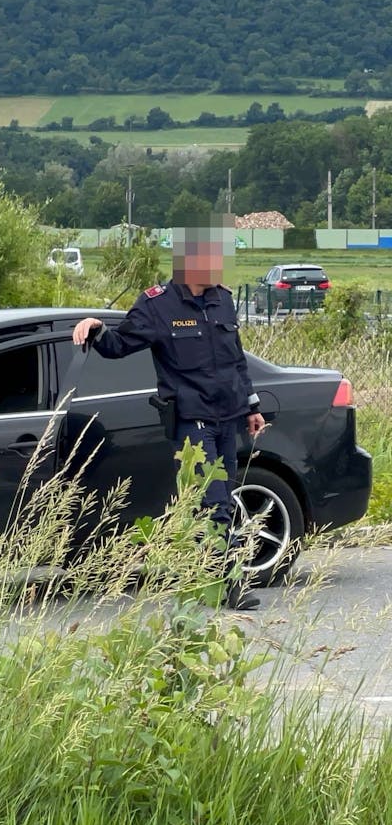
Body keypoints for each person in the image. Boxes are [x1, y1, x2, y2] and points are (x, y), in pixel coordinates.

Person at [71, 216, 267, 610]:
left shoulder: (222, 299)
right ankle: (227, 586)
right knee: (213, 502)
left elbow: (236, 362)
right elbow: (120, 344)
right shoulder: (158, 305)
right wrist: (94, 328)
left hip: (227, 419)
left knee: (222, 498)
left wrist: (252, 406)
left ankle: (203, 579)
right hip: (192, 423)